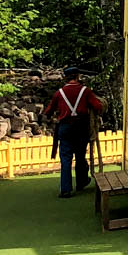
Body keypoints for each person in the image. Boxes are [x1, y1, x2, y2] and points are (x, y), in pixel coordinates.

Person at [43, 67, 105, 198]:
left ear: (66, 78)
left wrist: (52, 114)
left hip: (65, 127)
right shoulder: (85, 91)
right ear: (78, 77)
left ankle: (65, 189)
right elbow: (98, 106)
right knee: (80, 155)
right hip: (81, 127)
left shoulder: (59, 93)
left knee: (66, 159)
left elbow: (48, 111)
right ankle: (81, 181)